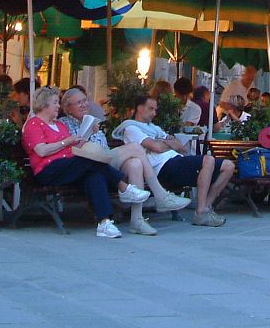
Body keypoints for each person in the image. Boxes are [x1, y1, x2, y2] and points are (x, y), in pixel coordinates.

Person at [22, 86, 150, 239]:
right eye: (55, 102)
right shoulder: (33, 124)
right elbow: (41, 151)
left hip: (69, 166)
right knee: (89, 161)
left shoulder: (59, 125)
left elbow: (75, 146)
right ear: (44, 105)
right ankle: (124, 187)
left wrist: (87, 134)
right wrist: (65, 142)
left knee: (94, 176)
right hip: (49, 169)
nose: (58, 106)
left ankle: (104, 222)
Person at [59, 86, 189, 225]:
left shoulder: (91, 120)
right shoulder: (64, 124)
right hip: (92, 162)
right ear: (68, 107)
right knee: (135, 147)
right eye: (79, 102)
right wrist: (89, 132)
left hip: (106, 158)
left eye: (85, 100)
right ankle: (161, 195)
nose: (84, 104)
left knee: (135, 164)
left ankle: (137, 220)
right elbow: (73, 149)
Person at [116, 94, 233, 229]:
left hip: (176, 160)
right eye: (151, 109)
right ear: (140, 108)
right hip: (163, 168)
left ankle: (205, 207)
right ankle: (201, 212)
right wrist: (166, 143)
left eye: (155, 109)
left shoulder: (154, 128)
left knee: (228, 166)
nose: (154, 113)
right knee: (208, 160)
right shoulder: (132, 129)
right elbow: (157, 147)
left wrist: (162, 143)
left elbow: (179, 146)